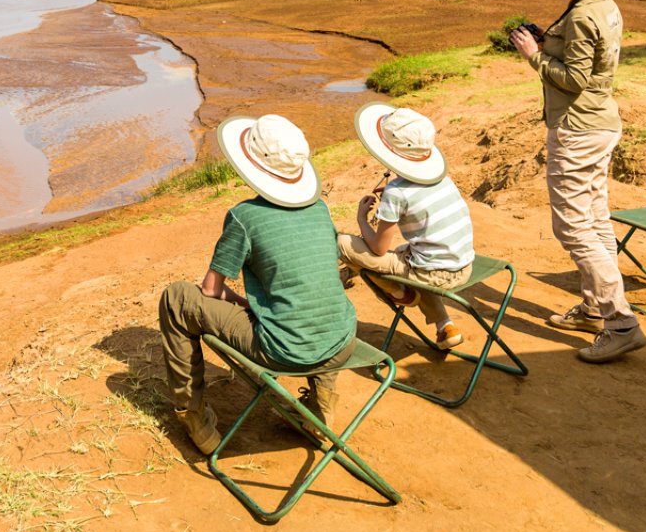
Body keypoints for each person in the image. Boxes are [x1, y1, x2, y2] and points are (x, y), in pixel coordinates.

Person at [157, 113, 358, 453]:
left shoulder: (244, 216)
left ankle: (195, 418)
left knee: (177, 298)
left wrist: (240, 301)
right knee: (313, 302)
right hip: (342, 343)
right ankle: (321, 404)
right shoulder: (321, 208)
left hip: (284, 351)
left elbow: (210, 290)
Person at [509, 0, 645, 363]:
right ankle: (595, 306)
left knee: (572, 225)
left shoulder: (585, 13)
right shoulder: (600, 4)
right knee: (595, 216)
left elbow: (574, 79)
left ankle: (620, 321)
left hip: (578, 129)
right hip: (598, 124)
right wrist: (549, 42)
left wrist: (534, 55)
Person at [337, 104, 475, 351]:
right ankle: (446, 326)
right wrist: (393, 205)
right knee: (408, 251)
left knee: (342, 244)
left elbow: (379, 249)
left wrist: (362, 218)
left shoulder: (397, 191)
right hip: (463, 266)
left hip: (432, 274)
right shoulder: (442, 178)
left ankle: (398, 291)